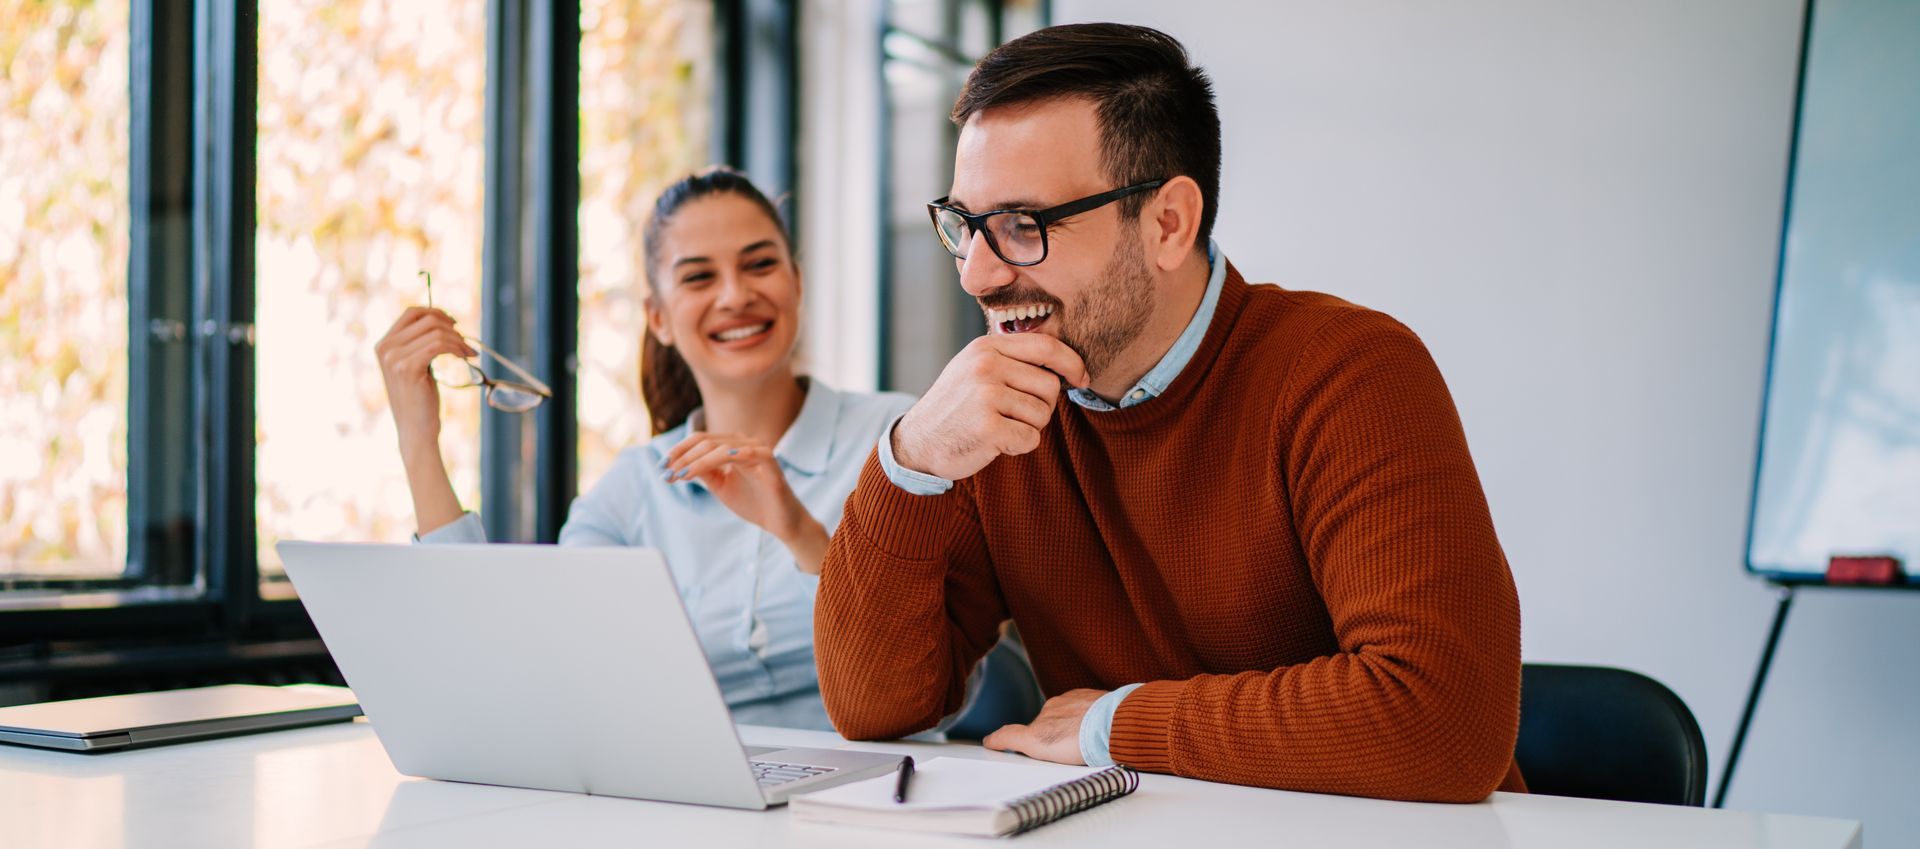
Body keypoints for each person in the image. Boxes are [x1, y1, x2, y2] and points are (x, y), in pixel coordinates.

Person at [813, 23, 1527, 802]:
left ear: (1168, 224)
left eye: (1023, 225)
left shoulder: (1349, 372)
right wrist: (911, 457)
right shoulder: (1004, 410)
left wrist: (1115, 724)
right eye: (965, 225)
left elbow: (1440, 720)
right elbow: (874, 707)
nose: (977, 275)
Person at [375, 167, 914, 731]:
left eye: (759, 265)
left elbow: (927, 663)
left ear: (796, 283)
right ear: (658, 317)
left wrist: (801, 534)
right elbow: (504, 666)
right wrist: (418, 441)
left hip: (892, 771)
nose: (735, 296)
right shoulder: (634, 488)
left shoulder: (896, 440)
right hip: (696, 777)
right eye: (699, 277)